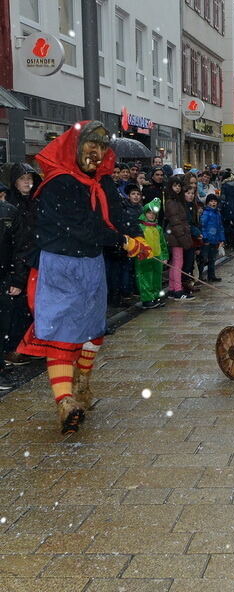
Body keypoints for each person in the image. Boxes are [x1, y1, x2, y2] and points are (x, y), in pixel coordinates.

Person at [15, 122, 152, 433]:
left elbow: (114, 218)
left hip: (91, 265)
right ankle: (64, 401)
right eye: (90, 144)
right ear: (73, 147)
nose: (96, 152)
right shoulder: (59, 184)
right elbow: (82, 226)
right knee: (63, 332)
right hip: (61, 266)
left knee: (92, 329)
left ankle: (83, 384)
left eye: (102, 147)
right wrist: (122, 242)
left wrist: (134, 238)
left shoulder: (100, 183)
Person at [0, 181, 28, 374]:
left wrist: (18, 279)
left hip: (4, 275)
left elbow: (19, 248)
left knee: (4, 321)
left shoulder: (9, 212)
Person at [164, 183, 197, 301]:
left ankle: (173, 288)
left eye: (179, 186)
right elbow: (176, 223)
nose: (177, 188)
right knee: (178, 264)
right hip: (176, 237)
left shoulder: (176, 201)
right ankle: (177, 290)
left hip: (176, 236)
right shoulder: (172, 202)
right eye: (175, 186)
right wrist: (184, 238)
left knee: (175, 263)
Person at [135, 198, 167, 309]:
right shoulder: (140, 227)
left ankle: (156, 296)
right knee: (145, 277)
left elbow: (162, 243)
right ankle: (147, 299)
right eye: (149, 213)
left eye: (154, 213)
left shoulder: (158, 228)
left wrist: (165, 255)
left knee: (157, 278)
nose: (152, 215)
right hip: (144, 257)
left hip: (157, 256)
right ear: (145, 213)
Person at [200, 194, 226, 283]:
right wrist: (205, 238)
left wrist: (221, 239)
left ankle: (211, 275)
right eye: (211, 201)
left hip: (215, 240)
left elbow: (220, 227)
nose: (213, 203)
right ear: (207, 203)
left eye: (215, 201)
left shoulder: (217, 213)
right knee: (204, 258)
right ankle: (200, 275)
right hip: (207, 240)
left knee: (212, 259)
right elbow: (203, 226)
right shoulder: (206, 213)